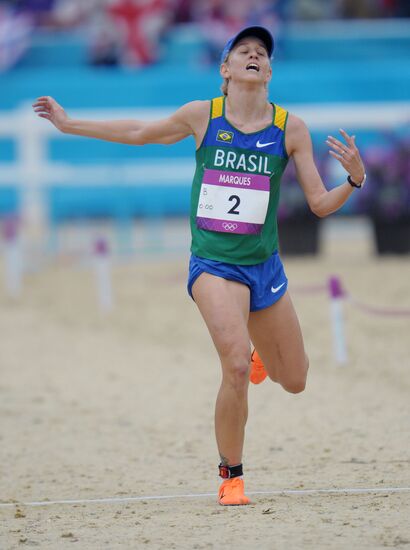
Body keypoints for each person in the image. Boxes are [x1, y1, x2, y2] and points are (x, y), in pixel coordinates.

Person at [32, 25, 366, 506]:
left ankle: (261, 359)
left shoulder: (290, 128)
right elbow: (140, 133)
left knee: (294, 380)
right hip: (213, 264)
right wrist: (69, 124)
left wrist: (354, 181)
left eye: (261, 54)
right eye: (243, 52)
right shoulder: (202, 116)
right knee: (232, 365)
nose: (254, 56)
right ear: (225, 71)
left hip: (264, 267)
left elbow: (318, 203)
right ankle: (232, 474)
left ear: (269, 71)